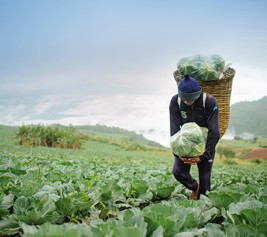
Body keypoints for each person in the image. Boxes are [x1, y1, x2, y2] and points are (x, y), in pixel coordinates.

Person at [169, 74, 220, 200]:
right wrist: (178, 154)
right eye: (185, 99)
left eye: (191, 99)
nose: (187, 102)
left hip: (204, 145)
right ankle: (194, 187)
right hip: (185, 144)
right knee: (178, 172)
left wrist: (203, 156)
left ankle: (204, 204)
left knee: (205, 178)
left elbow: (214, 131)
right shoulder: (175, 102)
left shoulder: (208, 101)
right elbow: (174, 130)